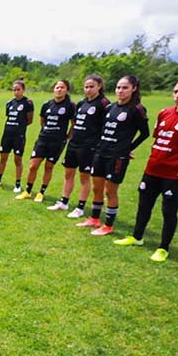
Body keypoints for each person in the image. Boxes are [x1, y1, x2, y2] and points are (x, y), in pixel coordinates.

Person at [113, 77, 178, 261]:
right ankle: (137, 237)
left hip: (176, 175)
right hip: (152, 169)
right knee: (144, 206)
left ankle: (163, 247)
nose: (177, 95)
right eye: (175, 91)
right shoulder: (164, 113)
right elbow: (158, 138)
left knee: (169, 211)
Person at [76, 76, 150, 236]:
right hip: (100, 152)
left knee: (110, 191)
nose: (120, 91)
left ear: (134, 88)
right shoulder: (110, 107)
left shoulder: (136, 109)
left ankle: (108, 225)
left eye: (125, 88)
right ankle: (94, 219)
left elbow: (145, 133)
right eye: (118, 88)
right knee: (97, 188)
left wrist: (128, 148)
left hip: (117, 157)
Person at [48, 75, 110, 217]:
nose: (88, 90)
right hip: (74, 143)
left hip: (88, 146)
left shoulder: (103, 103)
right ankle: (64, 202)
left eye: (91, 86)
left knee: (84, 177)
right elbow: (76, 123)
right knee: (68, 173)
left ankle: (80, 207)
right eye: (86, 87)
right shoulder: (81, 103)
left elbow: (107, 126)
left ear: (99, 86)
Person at [18, 80, 74, 203]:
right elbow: (42, 120)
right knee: (33, 166)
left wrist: (68, 136)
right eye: (57, 87)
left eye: (62, 87)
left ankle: (41, 192)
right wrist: (45, 130)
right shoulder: (47, 104)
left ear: (66, 90)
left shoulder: (70, 106)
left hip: (57, 142)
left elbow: (73, 123)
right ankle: (27, 191)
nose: (59, 89)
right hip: (43, 139)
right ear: (53, 89)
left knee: (48, 167)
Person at [0, 78, 34, 192]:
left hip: (18, 136)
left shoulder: (28, 103)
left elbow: (29, 120)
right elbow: (8, 117)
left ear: (23, 90)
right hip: (7, 134)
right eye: (14, 90)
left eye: (18, 89)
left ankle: (17, 184)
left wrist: (19, 127)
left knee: (17, 160)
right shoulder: (9, 103)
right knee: (3, 158)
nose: (16, 92)